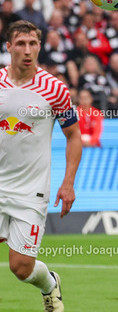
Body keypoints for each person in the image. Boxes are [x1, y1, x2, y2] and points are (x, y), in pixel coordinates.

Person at [0, 20, 82, 312]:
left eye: (33, 44)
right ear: (9, 47)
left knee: (21, 267)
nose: (27, 50)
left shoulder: (54, 89)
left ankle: (49, 284)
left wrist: (68, 183)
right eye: (21, 44)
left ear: (39, 46)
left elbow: (74, 136)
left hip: (30, 190)